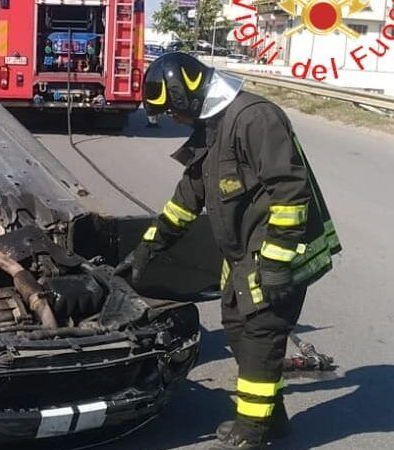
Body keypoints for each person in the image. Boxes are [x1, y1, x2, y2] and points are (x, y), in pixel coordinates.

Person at [119, 52, 342, 449]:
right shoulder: (211, 126)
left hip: (278, 250)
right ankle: (273, 418)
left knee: (260, 335)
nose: (171, 118)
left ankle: (253, 433)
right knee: (238, 332)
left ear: (185, 94)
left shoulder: (255, 118)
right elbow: (187, 198)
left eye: (171, 109)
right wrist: (150, 246)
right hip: (242, 255)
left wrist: (275, 263)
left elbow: (291, 193)